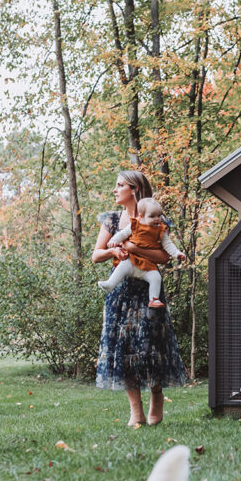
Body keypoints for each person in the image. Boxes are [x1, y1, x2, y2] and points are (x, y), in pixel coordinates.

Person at [92, 171, 187, 427]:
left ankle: (157, 397)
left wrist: (134, 248)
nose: (115, 190)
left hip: (148, 291)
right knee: (124, 350)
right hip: (121, 292)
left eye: (119, 185)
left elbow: (164, 257)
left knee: (151, 347)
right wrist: (114, 251)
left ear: (134, 189)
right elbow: (96, 255)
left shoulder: (155, 217)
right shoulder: (112, 220)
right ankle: (136, 411)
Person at [99, 197, 187, 308]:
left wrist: (177, 253)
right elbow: (122, 234)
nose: (157, 219)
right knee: (122, 267)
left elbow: (168, 244)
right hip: (132, 260)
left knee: (156, 277)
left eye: (159, 215)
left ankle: (154, 299)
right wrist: (114, 241)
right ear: (141, 216)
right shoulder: (135, 225)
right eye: (152, 216)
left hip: (147, 265)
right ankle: (110, 284)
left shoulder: (161, 229)